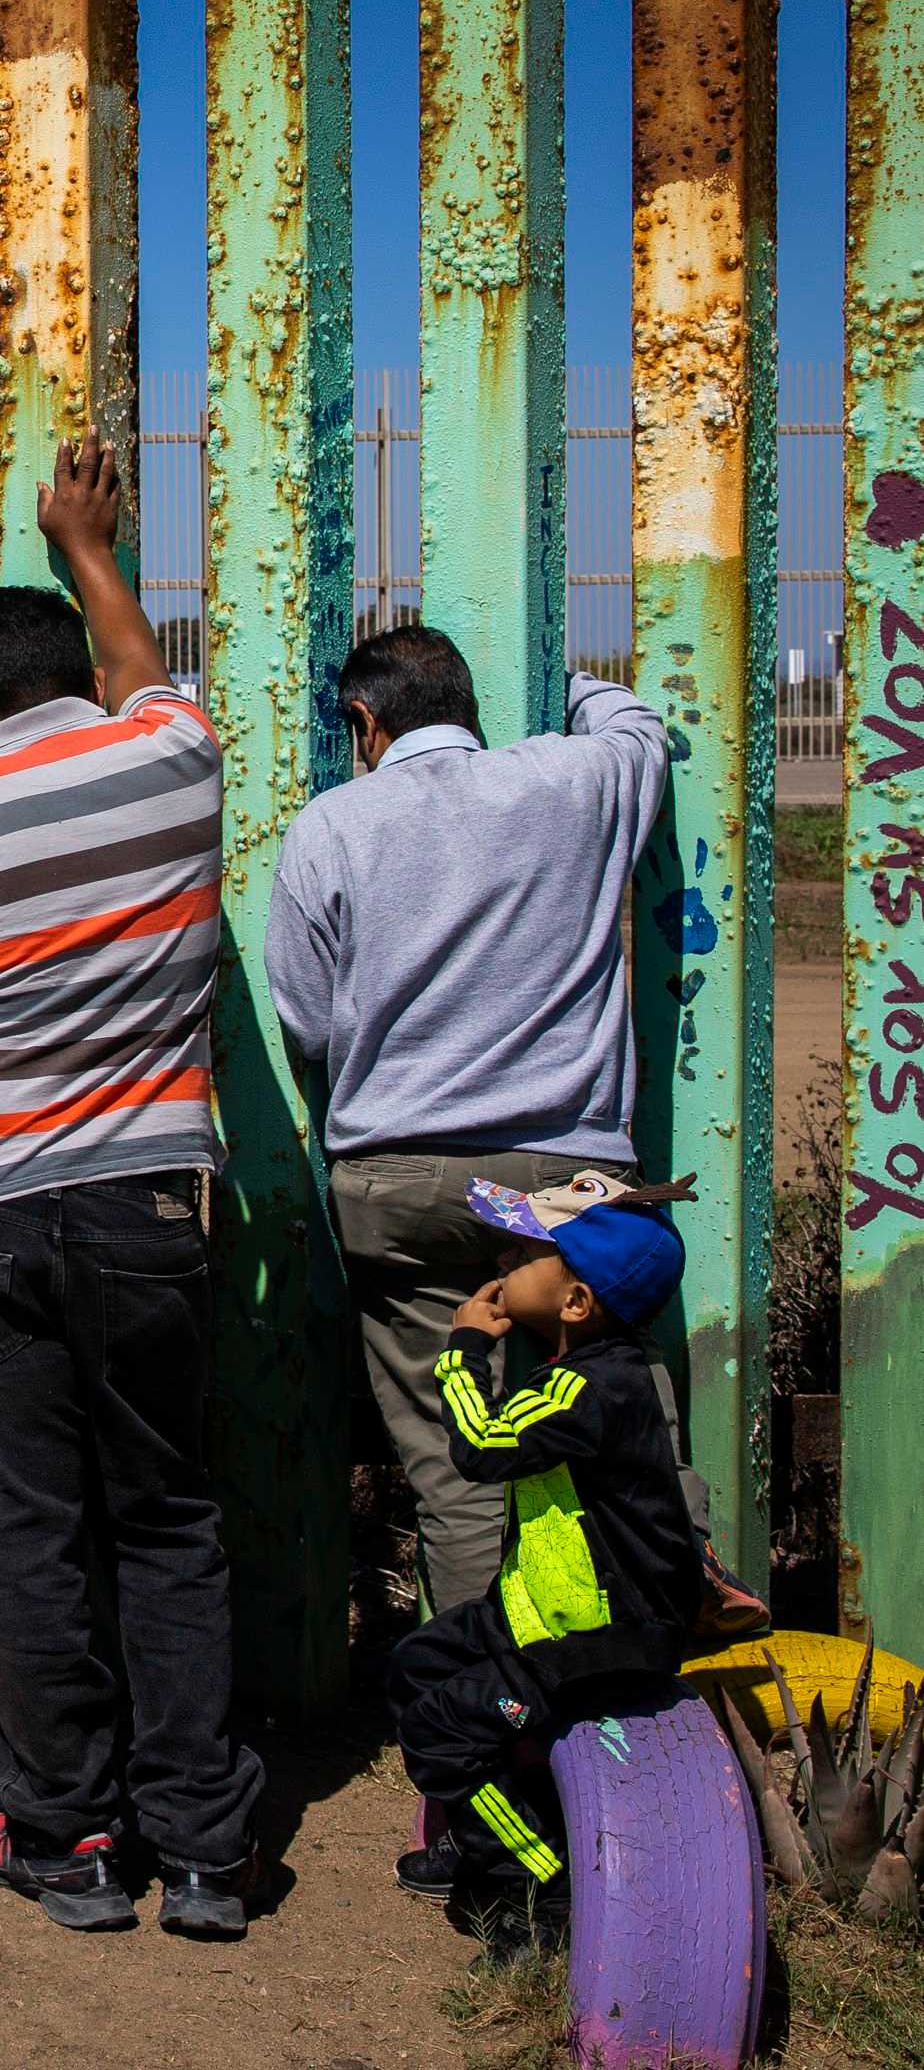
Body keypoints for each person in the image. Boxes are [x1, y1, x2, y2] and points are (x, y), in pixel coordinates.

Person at [0, 439, 264, 1940]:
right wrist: (87, 538)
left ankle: (68, 1832)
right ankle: (209, 1848)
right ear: (81, 669)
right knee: (166, 1513)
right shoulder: (173, 753)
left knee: (22, 1525)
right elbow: (146, 668)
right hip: (151, 1195)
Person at [265, 627, 739, 1626]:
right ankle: (670, 1592)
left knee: (454, 1462)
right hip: (563, 1182)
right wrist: (548, 670)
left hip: (400, 1179)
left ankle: (495, 1681)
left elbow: (305, 1021)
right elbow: (633, 722)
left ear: (364, 719)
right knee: (627, 1398)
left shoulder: (328, 825)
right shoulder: (573, 779)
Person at [387, 1172, 698, 1921]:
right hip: (549, 1605)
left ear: (575, 1302)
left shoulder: (586, 1388)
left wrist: (462, 1350)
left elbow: (483, 1446)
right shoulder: (584, 1371)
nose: (502, 1261)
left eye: (525, 1252)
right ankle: (479, 1826)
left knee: (441, 1731)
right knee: (419, 1665)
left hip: (601, 1636)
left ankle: (537, 1882)